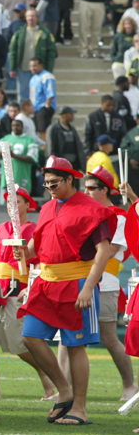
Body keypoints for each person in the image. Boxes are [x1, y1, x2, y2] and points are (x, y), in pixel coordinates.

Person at [17, 156, 115, 425]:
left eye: (55, 182)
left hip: (77, 283)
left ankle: (80, 409)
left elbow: (103, 251)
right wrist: (24, 252)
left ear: (70, 179)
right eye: (46, 183)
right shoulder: (47, 208)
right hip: (46, 282)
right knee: (29, 337)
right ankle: (64, 390)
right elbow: (38, 246)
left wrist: (89, 288)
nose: (50, 187)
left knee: (75, 346)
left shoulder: (92, 208)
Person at [0, 184, 55, 399]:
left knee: (19, 342)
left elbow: (38, 262)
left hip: (19, 287)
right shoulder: (0, 228)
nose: (11, 205)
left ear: (27, 204)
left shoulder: (34, 230)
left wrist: (32, 287)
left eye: (16, 201)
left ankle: (47, 375)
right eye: (8, 201)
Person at [80, 167, 137, 400]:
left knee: (109, 338)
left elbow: (110, 250)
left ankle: (129, 385)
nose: (85, 191)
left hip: (107, 282)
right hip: (79, 279)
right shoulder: (83, 211)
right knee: (69, 337)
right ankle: (65, 391)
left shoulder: (119, 216)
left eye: (91, 188)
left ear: (104, 190)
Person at [8, 9, 55, 109]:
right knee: (23, 95)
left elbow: (51, 53)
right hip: (23, 69)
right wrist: (12, 68)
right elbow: (13, 51)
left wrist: (49, 70)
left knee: (38, 95)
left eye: (33, 16)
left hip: (39, 72)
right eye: (29, 16)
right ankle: (23, 116)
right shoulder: (19, 33)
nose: (31, 18)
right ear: (25, 18)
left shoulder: (45, 33)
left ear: (37, 18)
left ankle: (37, 114)